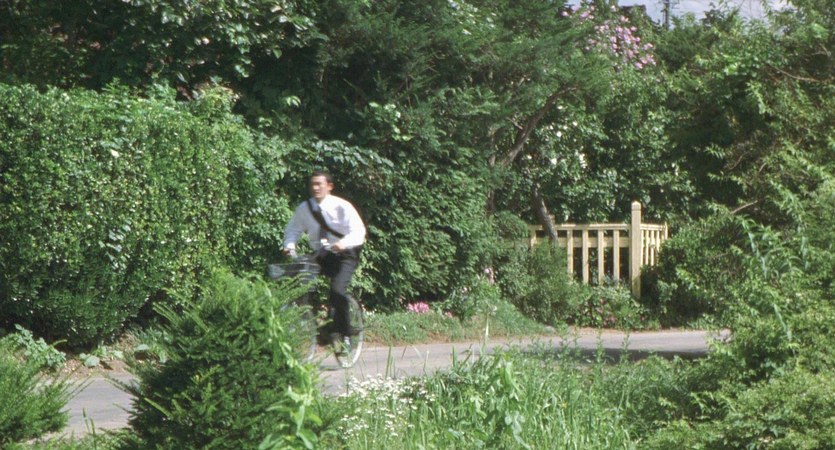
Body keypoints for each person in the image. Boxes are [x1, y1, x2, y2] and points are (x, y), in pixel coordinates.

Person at [283, 170, 366, 346]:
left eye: (319, 184)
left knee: (337, 290)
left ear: (329, 186)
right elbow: (293, 229)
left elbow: (359, 231)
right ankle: (314, 322)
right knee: (298, 280)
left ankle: (345, 333)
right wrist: (289, 246)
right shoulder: (305, 208)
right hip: (322, 253)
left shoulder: (342, 206)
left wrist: (344, 243)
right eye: (312, 184)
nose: (315, 188)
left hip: (345, 254)